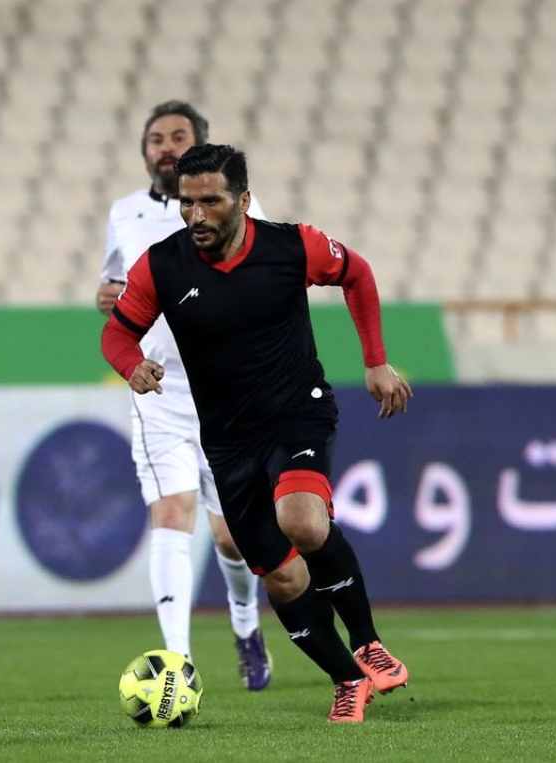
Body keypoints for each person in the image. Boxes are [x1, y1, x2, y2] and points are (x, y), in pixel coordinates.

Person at [101, 144, 413, 723]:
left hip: (297, 411)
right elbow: (117, 333)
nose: (196, 215)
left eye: (211, 201)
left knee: (303, 521)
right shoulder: (161, 266)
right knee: (283, 576)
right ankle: (347, 679)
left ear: (243, 200)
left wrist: (375, 361)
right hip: (228, 440)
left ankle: (368, 641)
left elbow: (358, 274)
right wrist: (131, 365)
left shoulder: (292, 246)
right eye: (187, 202)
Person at [95, 101, 272, 689]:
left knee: (231, 537)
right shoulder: (125, 213)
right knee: (172, 512)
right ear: (145, 150)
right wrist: (107, 296)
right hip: (159, 390)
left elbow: (269, 278)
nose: (166, 147)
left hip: (227, 394)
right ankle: (178, 663)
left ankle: (246, 625)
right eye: (156, 138)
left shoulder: (239, 209)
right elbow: (113, 284)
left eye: (178, 136)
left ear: (199, 145)